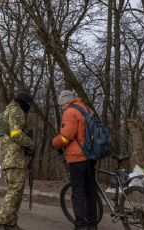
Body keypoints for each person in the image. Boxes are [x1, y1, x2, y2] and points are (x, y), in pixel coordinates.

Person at [52, 90, 98, 230]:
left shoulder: (70, 113)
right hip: (90, 156)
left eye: (61, 105)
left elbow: (66, 137)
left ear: (66, 102)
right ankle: (92, 224)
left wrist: (54, 142)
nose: (61, 108)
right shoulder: (85, 109)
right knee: (90, 192)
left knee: (78, 192)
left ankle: (80, 226)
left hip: (78, 158)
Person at [0, 91, 34, 230]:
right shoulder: (16, 111)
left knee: (16, 190)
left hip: (6, 156)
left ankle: (10, 223)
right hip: (14, 157)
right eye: (28, 104)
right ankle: (1, 222)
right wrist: (30, 144)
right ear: (23, 103)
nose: (29, 107)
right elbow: (16, 134)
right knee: (15, 190)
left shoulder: (5, 112)